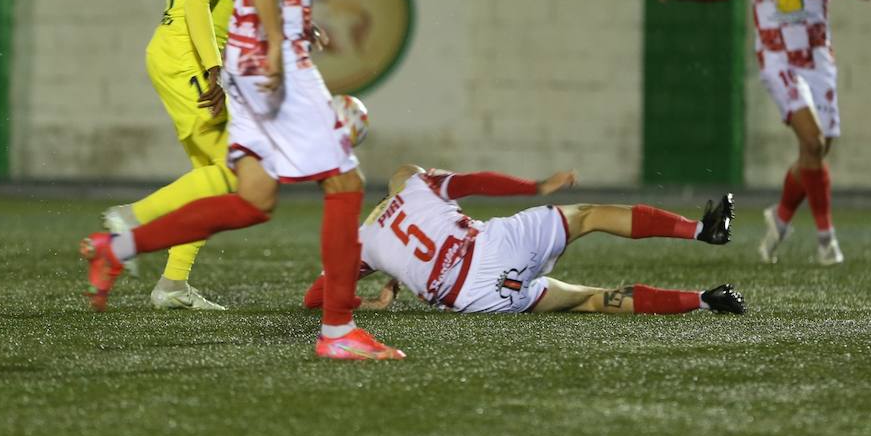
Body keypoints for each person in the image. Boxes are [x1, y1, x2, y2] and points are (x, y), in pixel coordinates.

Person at [82, 0, 405, 361]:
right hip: (270, 60)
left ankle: (119, 245)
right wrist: (279, 45)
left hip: (244, 58)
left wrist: (274, 23)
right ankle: (337, 332)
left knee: (253, 196)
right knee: (345, 182)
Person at [657, 0, 871, 265]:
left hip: (817, 59)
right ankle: (827, 241)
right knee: (811, 143)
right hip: (777, 60)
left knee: (816, 152)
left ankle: (779, 218)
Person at [103, 0, 272, 311]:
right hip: (186, 57)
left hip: (186, 54)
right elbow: (198, 4)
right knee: (238, 174)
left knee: (213, 177)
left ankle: (172, 284)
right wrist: (212, 67)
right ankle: (127, 221)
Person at [301, 164, 744, 316]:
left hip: (474, 297)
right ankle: (703, 230)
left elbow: (315, 297)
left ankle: (705, 300)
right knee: (587, 216)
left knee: (591, 299)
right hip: (490, 247)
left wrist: (371, 304)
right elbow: (476, 181)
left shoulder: (358, 244)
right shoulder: (413, 183)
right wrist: (536, 186)